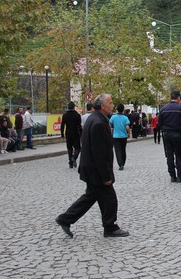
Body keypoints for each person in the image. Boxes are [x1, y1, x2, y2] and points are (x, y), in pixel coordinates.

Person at [55, 93, 129, 238]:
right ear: (102, 106)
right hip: (95, 170)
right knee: (110, 199)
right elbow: (99, 153)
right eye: (110, 103)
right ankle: (110, 227)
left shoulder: (95, 118)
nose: (112, 105)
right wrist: (106, 175)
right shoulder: (99, 123)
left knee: (90, 197)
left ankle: (65, 219)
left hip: (90, 168)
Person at [60, 101, 83, 169]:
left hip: (68, 133)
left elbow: (62, 125)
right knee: (78, 148)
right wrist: (81, 134)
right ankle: (74, 157)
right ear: (74, 107)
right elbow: (79, 126)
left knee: (69, 148)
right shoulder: (77, 115)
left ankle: (70, 163)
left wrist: (62, 133)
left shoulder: (65, 115)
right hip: (75, 133)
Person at [110, 103, 131, 170]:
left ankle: (120, 164)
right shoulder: (125, 118)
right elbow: (127, 127)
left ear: (117, 109)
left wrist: (111, 131)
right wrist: (129, 133)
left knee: (117, 150)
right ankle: (123, 162)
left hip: (115, 136)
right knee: (123, 150)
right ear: (123, 110)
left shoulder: (113, 117)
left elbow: (109, 125)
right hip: (123, 136)